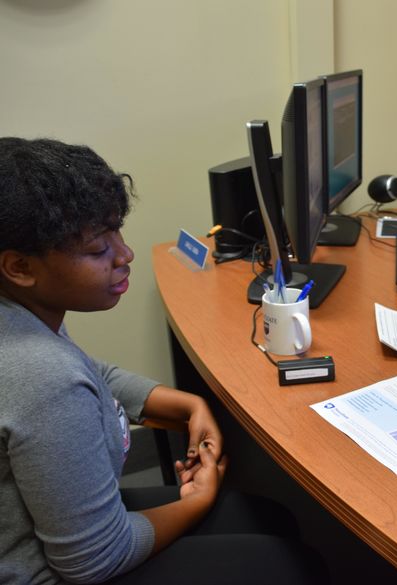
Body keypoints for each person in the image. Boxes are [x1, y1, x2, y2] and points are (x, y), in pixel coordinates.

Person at [0, 138, 325, 584]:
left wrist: (185, 405)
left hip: (52, 538)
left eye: (117, 231)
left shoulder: (20, 319)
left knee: (267, 518)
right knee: (293, 567)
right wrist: (196, 501)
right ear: (18, 266)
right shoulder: (39, 373)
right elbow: (93, 561)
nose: (124, 254)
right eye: (98, 250)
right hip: (52, 571)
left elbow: (89, 373)